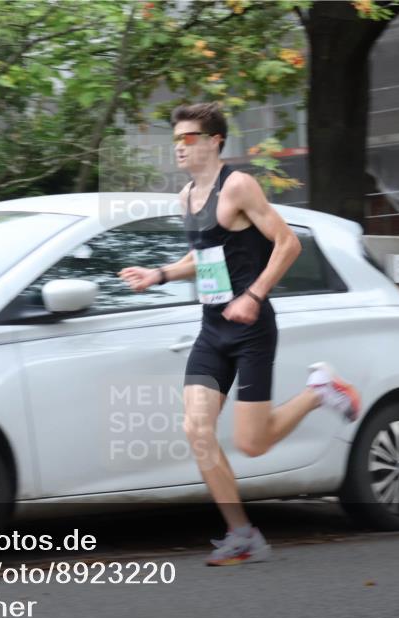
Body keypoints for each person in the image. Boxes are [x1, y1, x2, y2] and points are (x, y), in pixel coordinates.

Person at [118, 102, 361, 566]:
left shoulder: (239, 186)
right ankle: (243, 534)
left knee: (253, 443)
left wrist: (253, 295)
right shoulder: (186, 197)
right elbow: (204, 256)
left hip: (251, 330)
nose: (180, 147)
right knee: (196, 429)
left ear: (215, 142)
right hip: (212, 330)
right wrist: (159, 274)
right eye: (176, 139)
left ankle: (319, 391)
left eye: (189, 138)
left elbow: (288, 243)